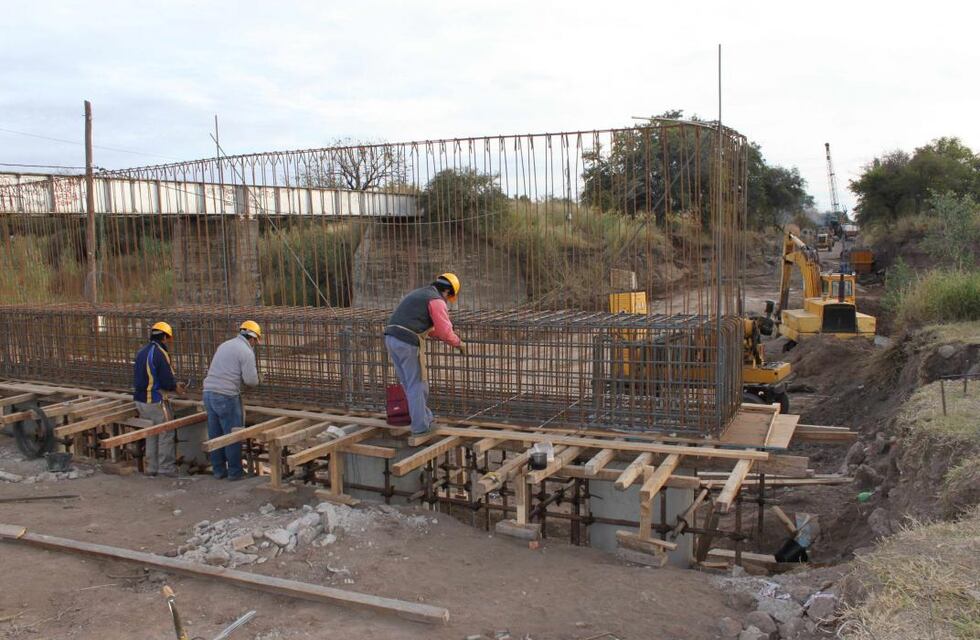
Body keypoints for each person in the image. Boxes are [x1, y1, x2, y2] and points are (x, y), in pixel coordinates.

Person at [384, 273, 467, 436]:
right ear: (448, 292)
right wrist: (459, 343)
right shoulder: (436, 300)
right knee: (418, 384)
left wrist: (444, 336)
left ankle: (425, 417)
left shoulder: (419, 294)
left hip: (391, 338)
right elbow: (444, 331)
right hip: (408, 341)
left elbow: (429, 328)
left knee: (408, 383)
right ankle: (421, 427)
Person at [202, 320, 261, 480]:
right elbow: (251, 380)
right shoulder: (246, 351)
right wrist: (259, 379)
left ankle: (219, 471)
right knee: (233, 434)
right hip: (226, 396)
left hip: (208, 393)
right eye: (256, 341)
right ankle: (235, 473)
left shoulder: (225, 345)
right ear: (253, 338)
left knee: (216, 435)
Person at [132, 321, 186, 477]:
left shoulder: (142, 351)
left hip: (140, 400)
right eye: (168, 338)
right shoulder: (160, 353)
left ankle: (152, 468)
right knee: (166, 432)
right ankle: (166, 468)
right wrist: (176, 387)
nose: (168, 341)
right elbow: (166, 381)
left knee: (152, 432)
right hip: (154, 400)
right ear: (163, 337)